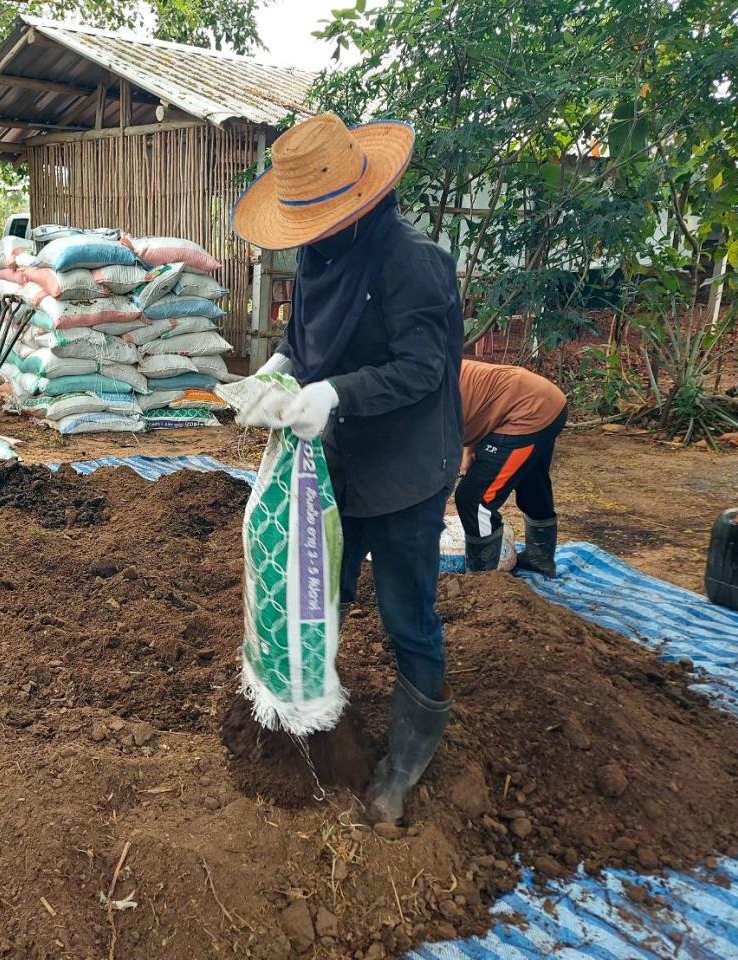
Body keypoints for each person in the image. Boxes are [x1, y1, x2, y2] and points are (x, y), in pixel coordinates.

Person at [232, 113, 464, 824]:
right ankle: (311, 728)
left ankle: (404, 762)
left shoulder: (412, 262)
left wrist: (334, 393)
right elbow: (304, 341)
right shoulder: (318, 259)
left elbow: (424, 368)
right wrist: (275, 371)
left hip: (405, 472)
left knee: (406, 615)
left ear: (358, 203)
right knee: (317, 596)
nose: (310, 234)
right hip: (335, 468)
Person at [456, 359, 568, 576]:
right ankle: (540, 560)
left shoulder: (417, 386)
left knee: (474, 499)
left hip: (527, 410)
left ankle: (482, 581)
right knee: (531, 482)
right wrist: (469, 450)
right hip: (546, 399)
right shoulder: (423, 368)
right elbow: (470, 404)